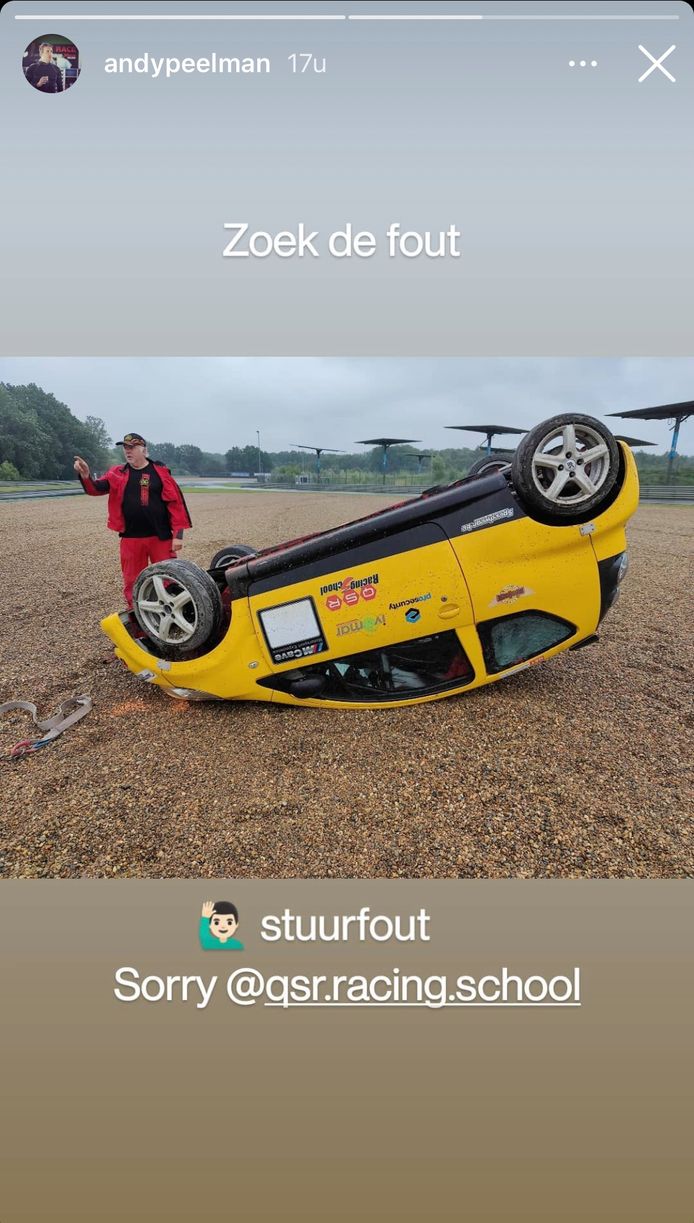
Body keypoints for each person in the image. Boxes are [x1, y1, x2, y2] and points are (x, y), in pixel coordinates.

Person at [74, 432, 192, 607]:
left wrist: (178, 535)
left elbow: (175, 504)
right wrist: (85, 475)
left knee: (168, 577)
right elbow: (95, 489)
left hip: (160, 537)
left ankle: (176, 611)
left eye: (132, 447)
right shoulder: (117, 473)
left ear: (144, 450)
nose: (127, 451)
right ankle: (138, 618)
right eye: (125, 448)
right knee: (133, 582)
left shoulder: (160, 472)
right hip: (130, 538)